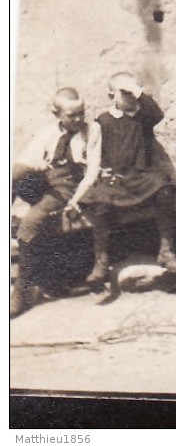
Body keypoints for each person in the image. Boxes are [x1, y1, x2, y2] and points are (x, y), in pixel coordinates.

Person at [78, 72, 176, 286]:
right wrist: (99, 171)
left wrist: (137, 91)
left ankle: (166, 250)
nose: (130, 98)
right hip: (115, 179)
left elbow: (157, 114)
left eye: (132, 93)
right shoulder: (102, 121)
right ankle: (101, 258)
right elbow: (90, 152)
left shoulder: (143, 119)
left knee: (164, 188)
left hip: (140, 177)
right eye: (124, 93)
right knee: (98, 201)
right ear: (112, 96)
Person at [11, 87, 101, 318]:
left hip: (68, 187)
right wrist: (36, 166)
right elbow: (26, 162)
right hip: (46, 182)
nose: (79, 119)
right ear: (57, 114)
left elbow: (92, 172)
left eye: (82, 112)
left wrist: (76, 199)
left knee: (30, 223)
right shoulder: (48, 132)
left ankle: (20, 292)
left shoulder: (92, 131)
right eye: (72, 115)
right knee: (13, 172)